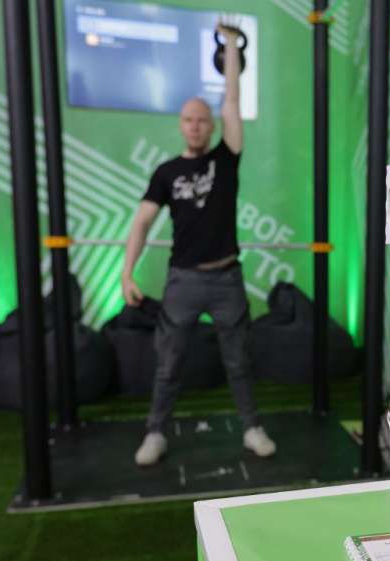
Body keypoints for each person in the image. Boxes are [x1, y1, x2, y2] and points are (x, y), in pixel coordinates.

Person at [120, 23, 275, 466]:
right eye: (189, 119)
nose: (195, 125)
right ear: (180, 125)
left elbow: (232, 101)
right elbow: (141, 223)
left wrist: (231, 46)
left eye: (202, 119)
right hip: (182, 281)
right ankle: (155, 433)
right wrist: (126, 273)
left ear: (211, 126)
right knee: (168, 365)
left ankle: (252, 428)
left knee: (239, 363)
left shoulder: (226, 158)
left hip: (227, 278)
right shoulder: (166, 172)